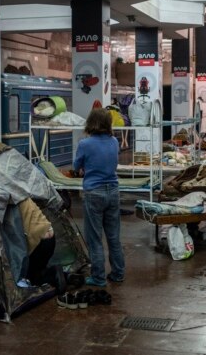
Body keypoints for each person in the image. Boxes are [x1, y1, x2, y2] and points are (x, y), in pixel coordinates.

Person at [73, 108, 124, 286]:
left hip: (94, 192)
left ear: (91, 123)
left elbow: (76, 165)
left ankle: (98, 277)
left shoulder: (85, 144)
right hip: (113, 192)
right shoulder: (114, 142)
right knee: (113, 237)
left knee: (94, 238)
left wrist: (84, 167)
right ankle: (118, 273)